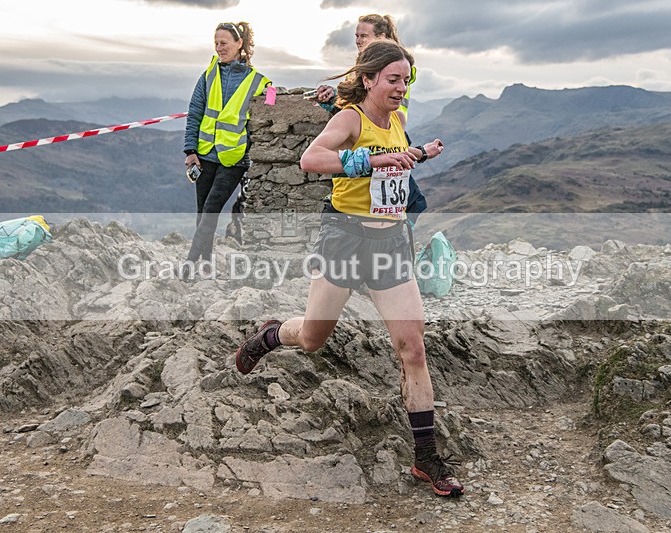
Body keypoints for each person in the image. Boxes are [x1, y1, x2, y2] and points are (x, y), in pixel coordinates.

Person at [235, 41, 464, 498]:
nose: (401, 88)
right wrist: (371, 161)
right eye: (393, 80)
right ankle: (270, 335)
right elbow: (311, 159)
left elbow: (393, 163)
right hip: (345, 236)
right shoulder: (350, 119)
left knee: (413, 349)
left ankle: (426, 458)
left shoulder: (398, 120)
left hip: (390, 241)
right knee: (312, 339)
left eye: (406, 81)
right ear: (369, 79)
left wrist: (418, 153)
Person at [313, 13, 426, 227]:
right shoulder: (364, 73)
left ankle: (399, 229)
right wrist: (333, 102)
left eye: (364, 36)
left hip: (392, 130)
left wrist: (423, 152)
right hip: (350, 229)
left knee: (409, 201)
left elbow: (384, 110)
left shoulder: (397, 66)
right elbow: (353, 109)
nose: (358, 41)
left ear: (382, 37)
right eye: (356, 36)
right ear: (366, 79)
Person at [182, 21, 271, 277]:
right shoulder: (208, 75)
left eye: (224, 43)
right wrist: (190, 151)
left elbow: (273, 105)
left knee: (210, 211)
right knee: (203, 213)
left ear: (239, 43)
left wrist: (277, 95)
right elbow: (195, 113)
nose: (219, 48)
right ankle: (206, 265)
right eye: (216, 43)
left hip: (234, 158)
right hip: (204, 154)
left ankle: (188, 265)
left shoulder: (258, 81)